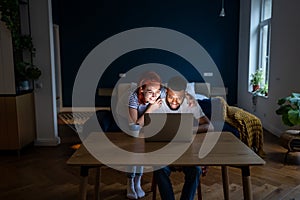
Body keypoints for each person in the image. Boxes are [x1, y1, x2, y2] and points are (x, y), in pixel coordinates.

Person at [152, 76, 213, 200]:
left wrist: (189, 130)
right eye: (170, 97)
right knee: (159, 169)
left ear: (185, 94)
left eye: (178, 98)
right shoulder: (159, 104)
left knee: (195, 171)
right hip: (164, 152)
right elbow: (148, 129)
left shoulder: (190, 103)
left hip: (187, 152)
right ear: (166, 91)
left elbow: (209, 126)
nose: (174, 102)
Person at [126, 71, 166, 199]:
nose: (155, 96)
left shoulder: (162, 93)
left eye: (157, 91)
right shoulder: (133, 97)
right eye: (150, 92)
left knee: (144, 149)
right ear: (142, 90)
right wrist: (151, 109)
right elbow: (136, 125)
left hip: (151, 130)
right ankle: (130, 182)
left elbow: (179, 95)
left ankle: (138, 182)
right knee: (136, 150)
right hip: (133, 130)